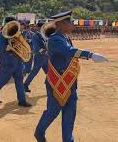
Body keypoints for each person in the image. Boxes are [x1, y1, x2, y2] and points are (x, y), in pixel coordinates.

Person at [34, 11, 109, 142]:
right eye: (70, 22)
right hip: (57, 82)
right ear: (62, 24)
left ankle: (68, 139)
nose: (72, 25)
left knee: (70, 113)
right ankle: (39, 132)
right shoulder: (55, 39)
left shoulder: (65, 37)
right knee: (53, 111)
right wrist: (90, 55)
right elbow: (69, 51)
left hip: (69, 81)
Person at [0, 17, 32, 107]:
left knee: (19, 80)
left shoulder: (17, 34)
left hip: (18, 62)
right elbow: (1, 50)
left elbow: (22, 46)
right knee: (2, 80)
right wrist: (10, 51)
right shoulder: (2, 35)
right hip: (8, 62)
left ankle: (22, 100)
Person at [23, 21, 48, 93]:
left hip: (46, 58)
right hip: (39, 57)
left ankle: (48, 84)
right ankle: (25, 84)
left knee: (49, 72)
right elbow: (37, 48)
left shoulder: (44, 35)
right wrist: (47, 52)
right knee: (34, 72)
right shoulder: (36, 36)